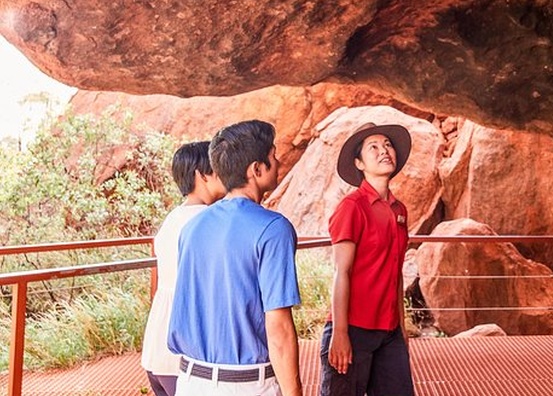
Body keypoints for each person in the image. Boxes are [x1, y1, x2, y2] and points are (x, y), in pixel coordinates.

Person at [168, 120, 303, 396]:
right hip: (246, 384)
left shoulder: (192, 228)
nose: (277, 164)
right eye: (273, 157)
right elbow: (278, 327)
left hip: (191, 381)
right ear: (256, 169)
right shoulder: (273, 228)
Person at [319, 122, 415, 396]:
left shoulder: (399, 210)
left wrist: (402, 328)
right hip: (353, 328)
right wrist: (340, 333)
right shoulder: (352, 207)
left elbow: (395, 273)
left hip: (389, 332)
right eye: (373, 147)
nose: (384, 150)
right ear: (359, 163)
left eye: (387, 145)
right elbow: (341, 271)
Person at [141, 141, 226, 396]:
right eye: (218, 168)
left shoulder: (173, 218)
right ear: (201, 175)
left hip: (157, 345)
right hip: (184, 351)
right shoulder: (206, 221)